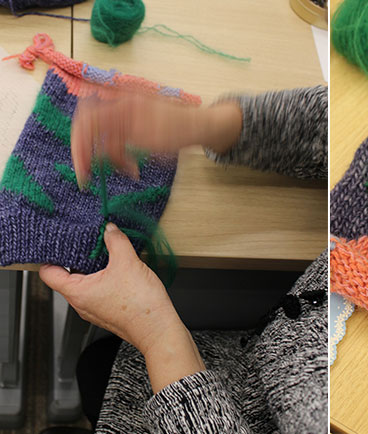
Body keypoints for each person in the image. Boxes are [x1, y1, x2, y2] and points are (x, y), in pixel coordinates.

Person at [38, 86, 328, 433]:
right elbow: (329, 126)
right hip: (251, 361)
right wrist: (210, 125)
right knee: (95, 365)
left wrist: (158, 335)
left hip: (202, 404)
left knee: (96, 369)